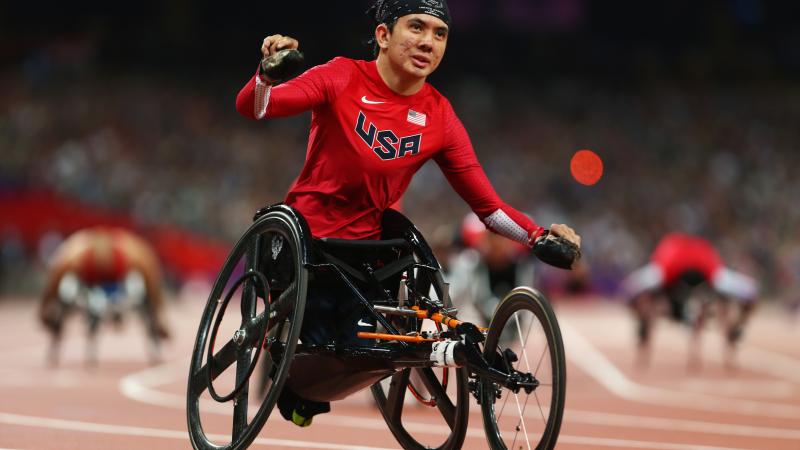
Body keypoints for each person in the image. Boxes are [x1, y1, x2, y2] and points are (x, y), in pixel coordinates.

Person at [235, 0, 581, 426]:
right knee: (313, 367)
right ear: (383, 35)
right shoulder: (341, 75)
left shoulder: (438, 115)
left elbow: (488, 208)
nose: (428, 42)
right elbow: (258, 107)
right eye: (417, 27)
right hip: (304, 241)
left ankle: (305, 387)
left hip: (368, 258)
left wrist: (538, 236)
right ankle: (288, 370)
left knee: (369, 355)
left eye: (440, 34)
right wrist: (267, 74)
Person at [621, 232, 757, 369]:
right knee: (643, 299)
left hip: (691, 276)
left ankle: (733, 332)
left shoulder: (676, 259)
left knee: (640, 297)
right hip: (683, 277)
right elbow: (749, 293)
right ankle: (643, 328)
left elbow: (629, 290)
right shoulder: (675, 258)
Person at [39, 227, 170, 363]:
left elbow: (151, 276)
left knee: (141, 293)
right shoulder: (76, 253)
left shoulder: (131, 253)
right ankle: (57, 336)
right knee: (66, 293)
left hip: (118, 289)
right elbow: (55, 274)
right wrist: (47, 307)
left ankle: (154, 337)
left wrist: (158, 315)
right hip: (88, 289)